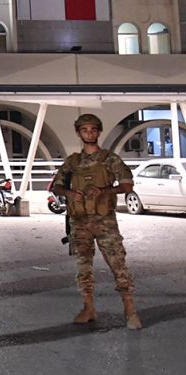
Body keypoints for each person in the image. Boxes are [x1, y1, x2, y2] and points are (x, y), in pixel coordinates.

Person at [49, 114, 141, 329]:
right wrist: (70, 194)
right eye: (84, 130)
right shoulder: (73, 161)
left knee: (117, 264)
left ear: (98, 132)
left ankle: (130, 311)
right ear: (79, 133)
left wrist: (104, 191)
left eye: (93, 129)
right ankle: (88, 308)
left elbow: (127, 186)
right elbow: (56, 186)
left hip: (104, 221)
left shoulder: (110, 160)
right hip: (79, 222)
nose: (89, 133)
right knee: (83, 266)